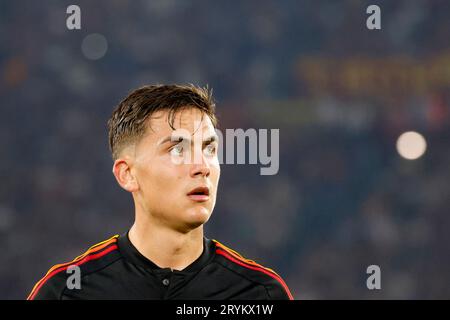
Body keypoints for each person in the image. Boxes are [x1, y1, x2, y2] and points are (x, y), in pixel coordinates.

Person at [27, 84, 293, 300]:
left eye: (210, 149)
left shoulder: (261, 294)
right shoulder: (65, 292)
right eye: (178, 149)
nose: (202, 166)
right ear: (127, 174)